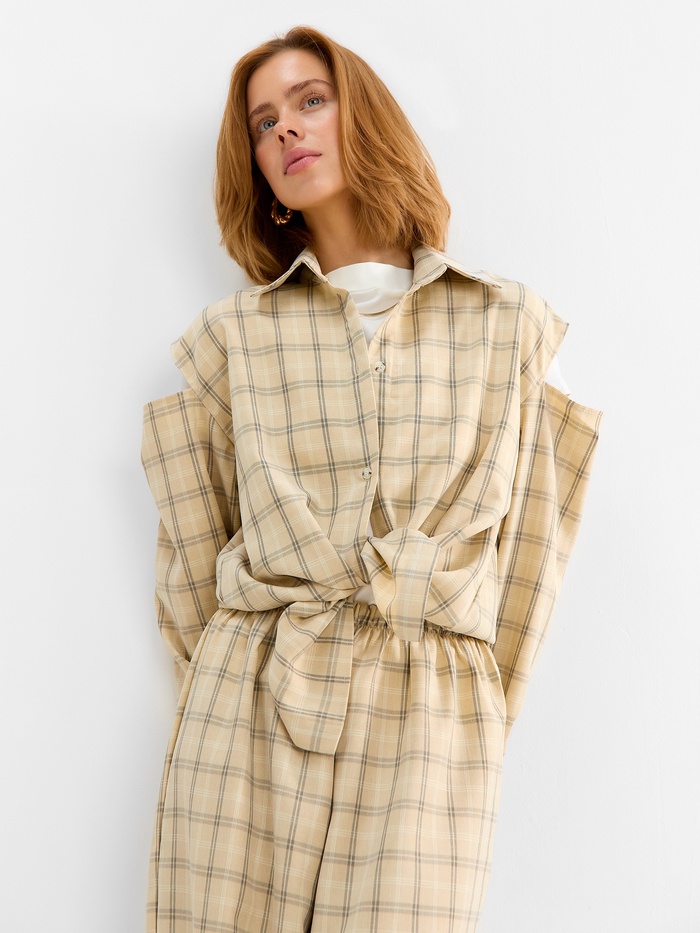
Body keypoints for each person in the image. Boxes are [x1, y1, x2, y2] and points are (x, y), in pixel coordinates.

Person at [141, 25, 603, 933]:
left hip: (428, 714)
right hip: (247, 704)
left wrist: (466, 711)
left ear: (366, 118)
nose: (285, 128)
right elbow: (191, 554)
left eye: (310, 100)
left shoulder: (506, 324)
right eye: (262, 122)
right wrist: (223, 694)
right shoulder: (232, 337)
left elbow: (532, 554)